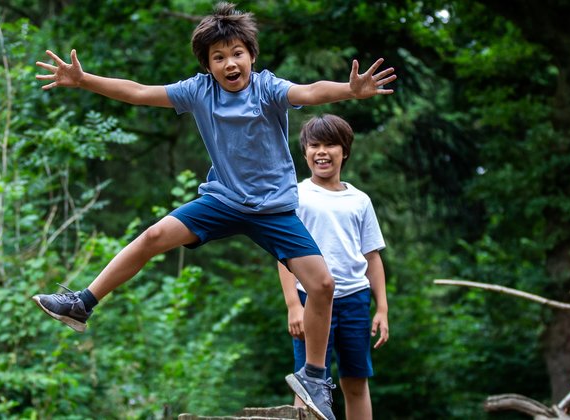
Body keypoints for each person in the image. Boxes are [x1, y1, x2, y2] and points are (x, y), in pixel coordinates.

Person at [32, 3, 395, 419]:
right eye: (218, 57)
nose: (230, 63)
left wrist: (350, 90)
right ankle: (82, 302)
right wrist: (83, 80)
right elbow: (138, 91)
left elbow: (309, 92)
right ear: (207, 65)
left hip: (273, 210)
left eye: (237, 53)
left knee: (323, 285)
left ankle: (314, 376)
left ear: (251, 57)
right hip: (222, 200)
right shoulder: (198, 92)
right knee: (153, 237)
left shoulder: (268, 88)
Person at [278, 114, 389, 420]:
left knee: (355, 381)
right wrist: (292, 305)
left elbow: (372, 256)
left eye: (330, 144)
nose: (322, 151)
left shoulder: (360, 200)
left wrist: (382, 308)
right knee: (307, 383)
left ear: (345, 151)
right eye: (315, 145)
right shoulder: (296, 195)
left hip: (354, 298)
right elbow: (283, 254)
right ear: (305, 152)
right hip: (309, 299)